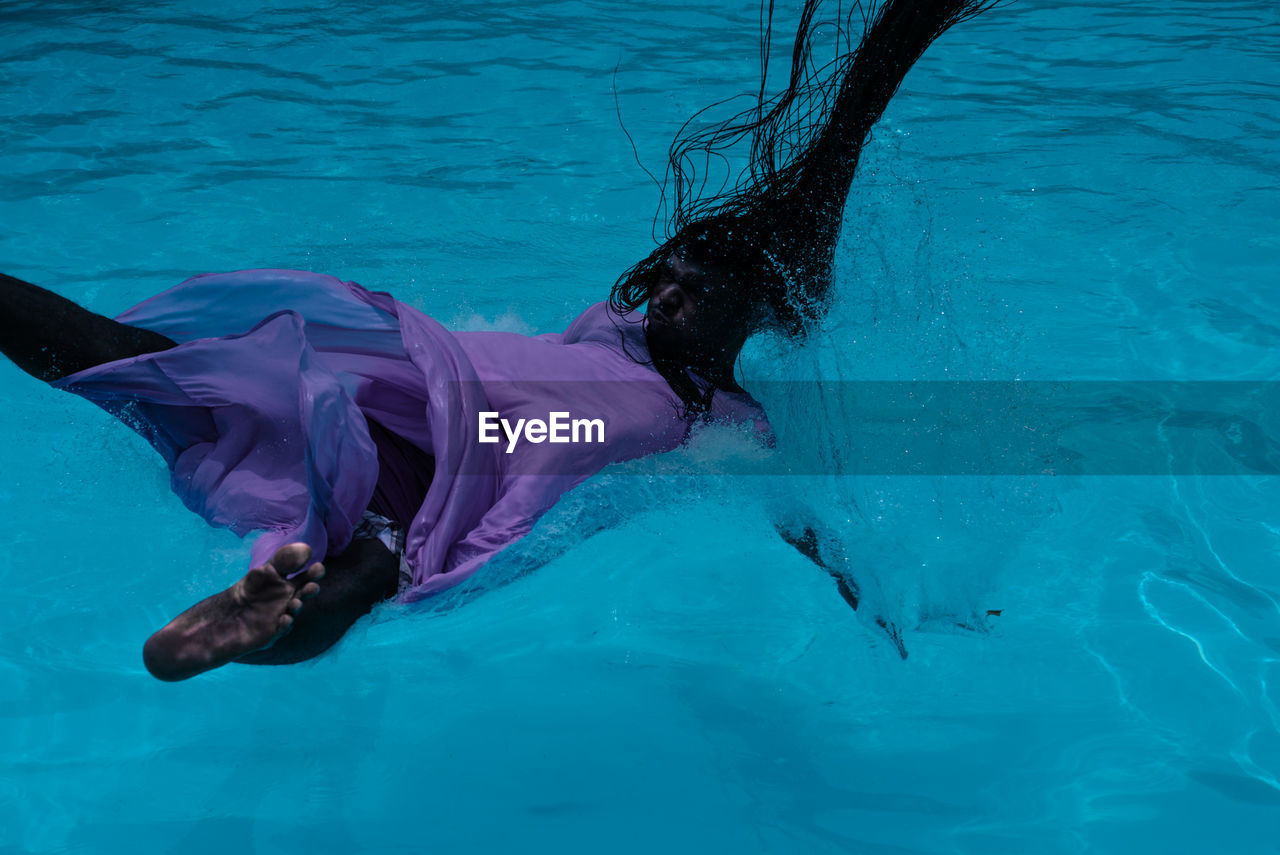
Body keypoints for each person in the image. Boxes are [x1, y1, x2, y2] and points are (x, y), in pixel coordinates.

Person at [0, 0, 998, 681]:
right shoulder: (609, 331)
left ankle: (256, 623)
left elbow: (801, 526)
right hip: (417, 387)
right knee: (143, 361)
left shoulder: (727, 425)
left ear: (751, 314)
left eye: (694, 296)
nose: (663, 298)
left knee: (371, 567)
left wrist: (886, 600)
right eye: (665, 280)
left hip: (471, 470)